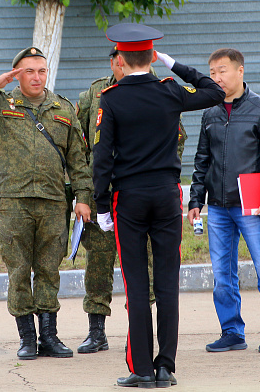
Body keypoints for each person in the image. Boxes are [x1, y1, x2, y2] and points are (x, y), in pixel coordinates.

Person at [93, 23, 225, 388]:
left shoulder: (112, 97)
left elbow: (102, 158)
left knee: (137, 285)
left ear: (119, 58)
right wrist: (175, 65)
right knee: (167, 284)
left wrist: (101, 205)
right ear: (152, 56)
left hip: (129, 199)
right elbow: (215, 91)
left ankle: (142, 369)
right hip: (167, 195)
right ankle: (166, 365)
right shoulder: (170, 91)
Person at [0, 47, 92, 360]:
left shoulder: (63, 108)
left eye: (41, 71)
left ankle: (50, 337)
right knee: (18, 271)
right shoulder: (0, 104)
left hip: (55, 203)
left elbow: (78, 161)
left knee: (48, 271)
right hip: (14, 201)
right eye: (29, 71)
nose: (37, 77)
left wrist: (83, 197)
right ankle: (27, 338)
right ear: (17, 74)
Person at [75, 46, 188, 354]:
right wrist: (88, 195)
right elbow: (82, 149)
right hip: (106, 194)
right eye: (113, 59)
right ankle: (96, 330)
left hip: (134, 193)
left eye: (120, 58)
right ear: (113, 61)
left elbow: (176, 138)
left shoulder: (158, 89)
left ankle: (140, 340)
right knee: (98, 262)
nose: (118, 64)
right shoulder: (94, 94)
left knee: (145, 271)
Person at [187, 48, 260, 354]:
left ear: (240, 71)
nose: (217, 78)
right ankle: (231, 331)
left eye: (223, 71)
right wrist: (196, 200)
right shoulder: (210, 113)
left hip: (252, 207)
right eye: (212, 73)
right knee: (222, 274)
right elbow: (201, 161)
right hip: (217, 207)